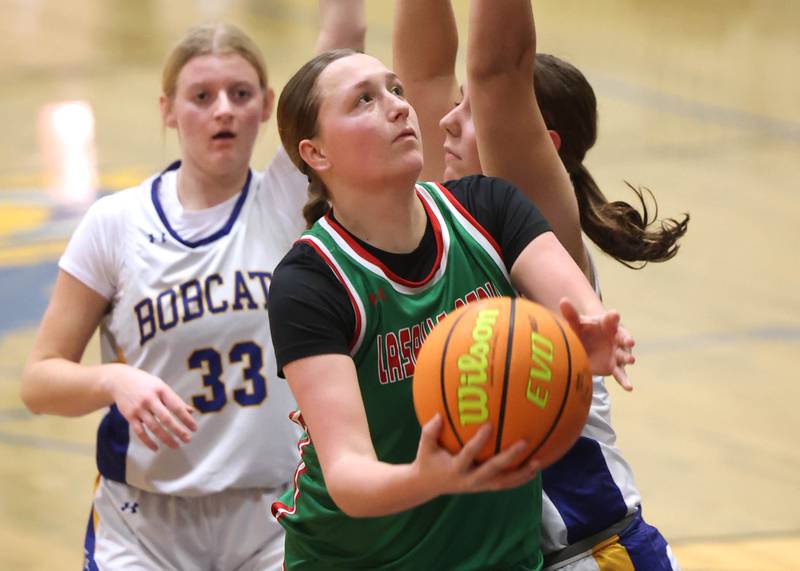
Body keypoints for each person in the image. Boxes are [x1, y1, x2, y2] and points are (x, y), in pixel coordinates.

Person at [266, 18, 635, 569]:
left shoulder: (489, 208)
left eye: (395, 89)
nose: (398, 106)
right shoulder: (310, 281)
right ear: (316, 154)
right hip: (356, 559)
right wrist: (426, 476)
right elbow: (346, 475)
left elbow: (572, 299)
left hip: (501, 558)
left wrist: (585, 338)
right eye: (364, 100)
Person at [20, 4, 366, 569]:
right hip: (144, 527)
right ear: (168, 110)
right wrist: (113, 379)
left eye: (240, 94)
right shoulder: (114, 225)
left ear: (268, 106)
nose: (222, 110)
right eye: (202, 96)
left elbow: (343, 41)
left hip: (274, 514)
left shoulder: (286, 198)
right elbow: (39, 381)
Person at [394, 0, 686, 569]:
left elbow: (499, 70)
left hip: (589, 554)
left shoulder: (543, 230)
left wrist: (490, 90)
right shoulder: (450, 218)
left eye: (469, 111)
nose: (445, 122)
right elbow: (422, 75)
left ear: (539, 143)